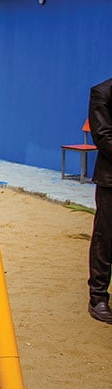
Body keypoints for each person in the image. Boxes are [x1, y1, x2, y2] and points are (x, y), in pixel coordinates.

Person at [87, 78, 112, 324]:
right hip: (110, 180)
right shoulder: (102, 93)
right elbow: (103, 136)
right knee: (105, 239)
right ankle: (98, 298)